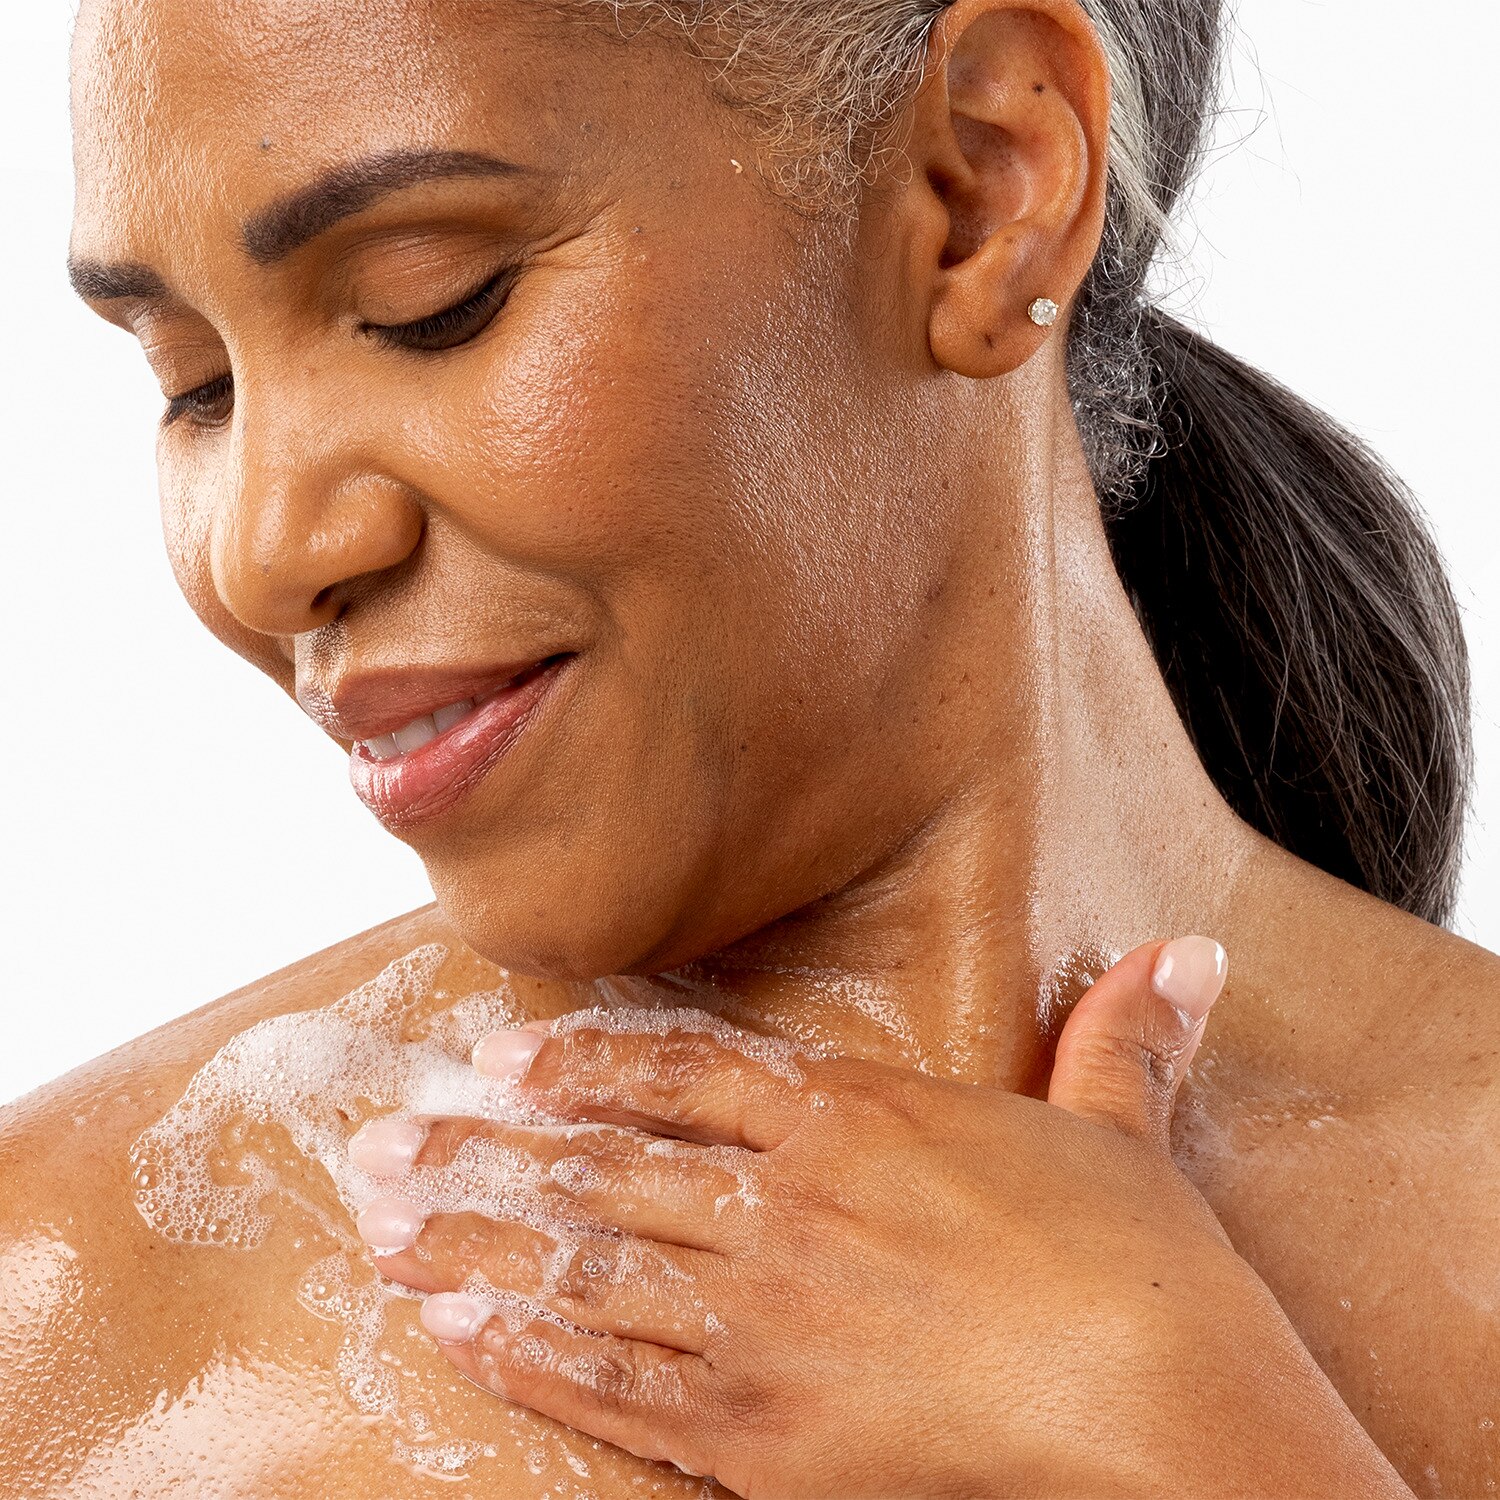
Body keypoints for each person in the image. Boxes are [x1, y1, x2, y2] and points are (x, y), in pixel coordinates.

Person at [2, 0, 1493, 1493]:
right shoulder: (50, 1332)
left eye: (429, 301)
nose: (265, 556)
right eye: (192, 381)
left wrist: (1205, 1452)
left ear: (983, 192)